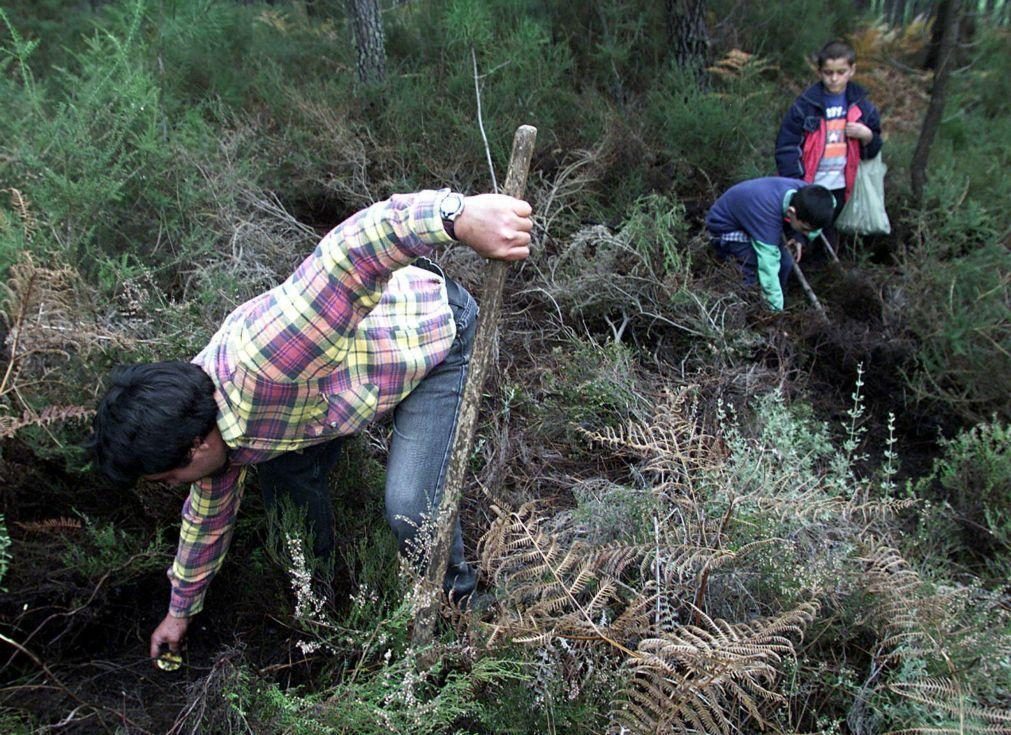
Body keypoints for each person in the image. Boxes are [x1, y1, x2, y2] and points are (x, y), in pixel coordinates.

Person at [88, 189, 533, 662]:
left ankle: (466, 611)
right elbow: (206, 521)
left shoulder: (268, 357)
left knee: (409, 507)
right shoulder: (200, 428)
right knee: (289, 503)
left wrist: (458, 217)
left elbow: (351, 250)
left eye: (168, 477)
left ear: (195, 447)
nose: (174, 485)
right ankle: (321, 611)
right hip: (329, 391)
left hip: (432, 337)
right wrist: (180, 611)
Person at [775, 40, 883, 223]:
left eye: (841, 72)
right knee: (802, 233)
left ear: (852, 70)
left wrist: (867, 136)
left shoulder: (863, 106)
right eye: (828, 73)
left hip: (843, 186)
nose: (834, 78)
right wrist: (796, 182)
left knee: (831, 237)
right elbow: (786, 146)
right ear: (819, 72)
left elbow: (871, 151)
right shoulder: (805, 106)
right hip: (809, 183)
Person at [705, 177, 835, 310]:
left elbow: (833, 203)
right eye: (805, 230)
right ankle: (748, 304)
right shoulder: (767, 214)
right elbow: (768, 266)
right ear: (791, 212)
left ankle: (779, 296)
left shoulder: (807, 194)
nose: (808, 233)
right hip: (726, 227)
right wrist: (775, 312)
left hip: (753, 219)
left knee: (786, 261)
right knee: (752, 265)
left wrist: (800, 237)